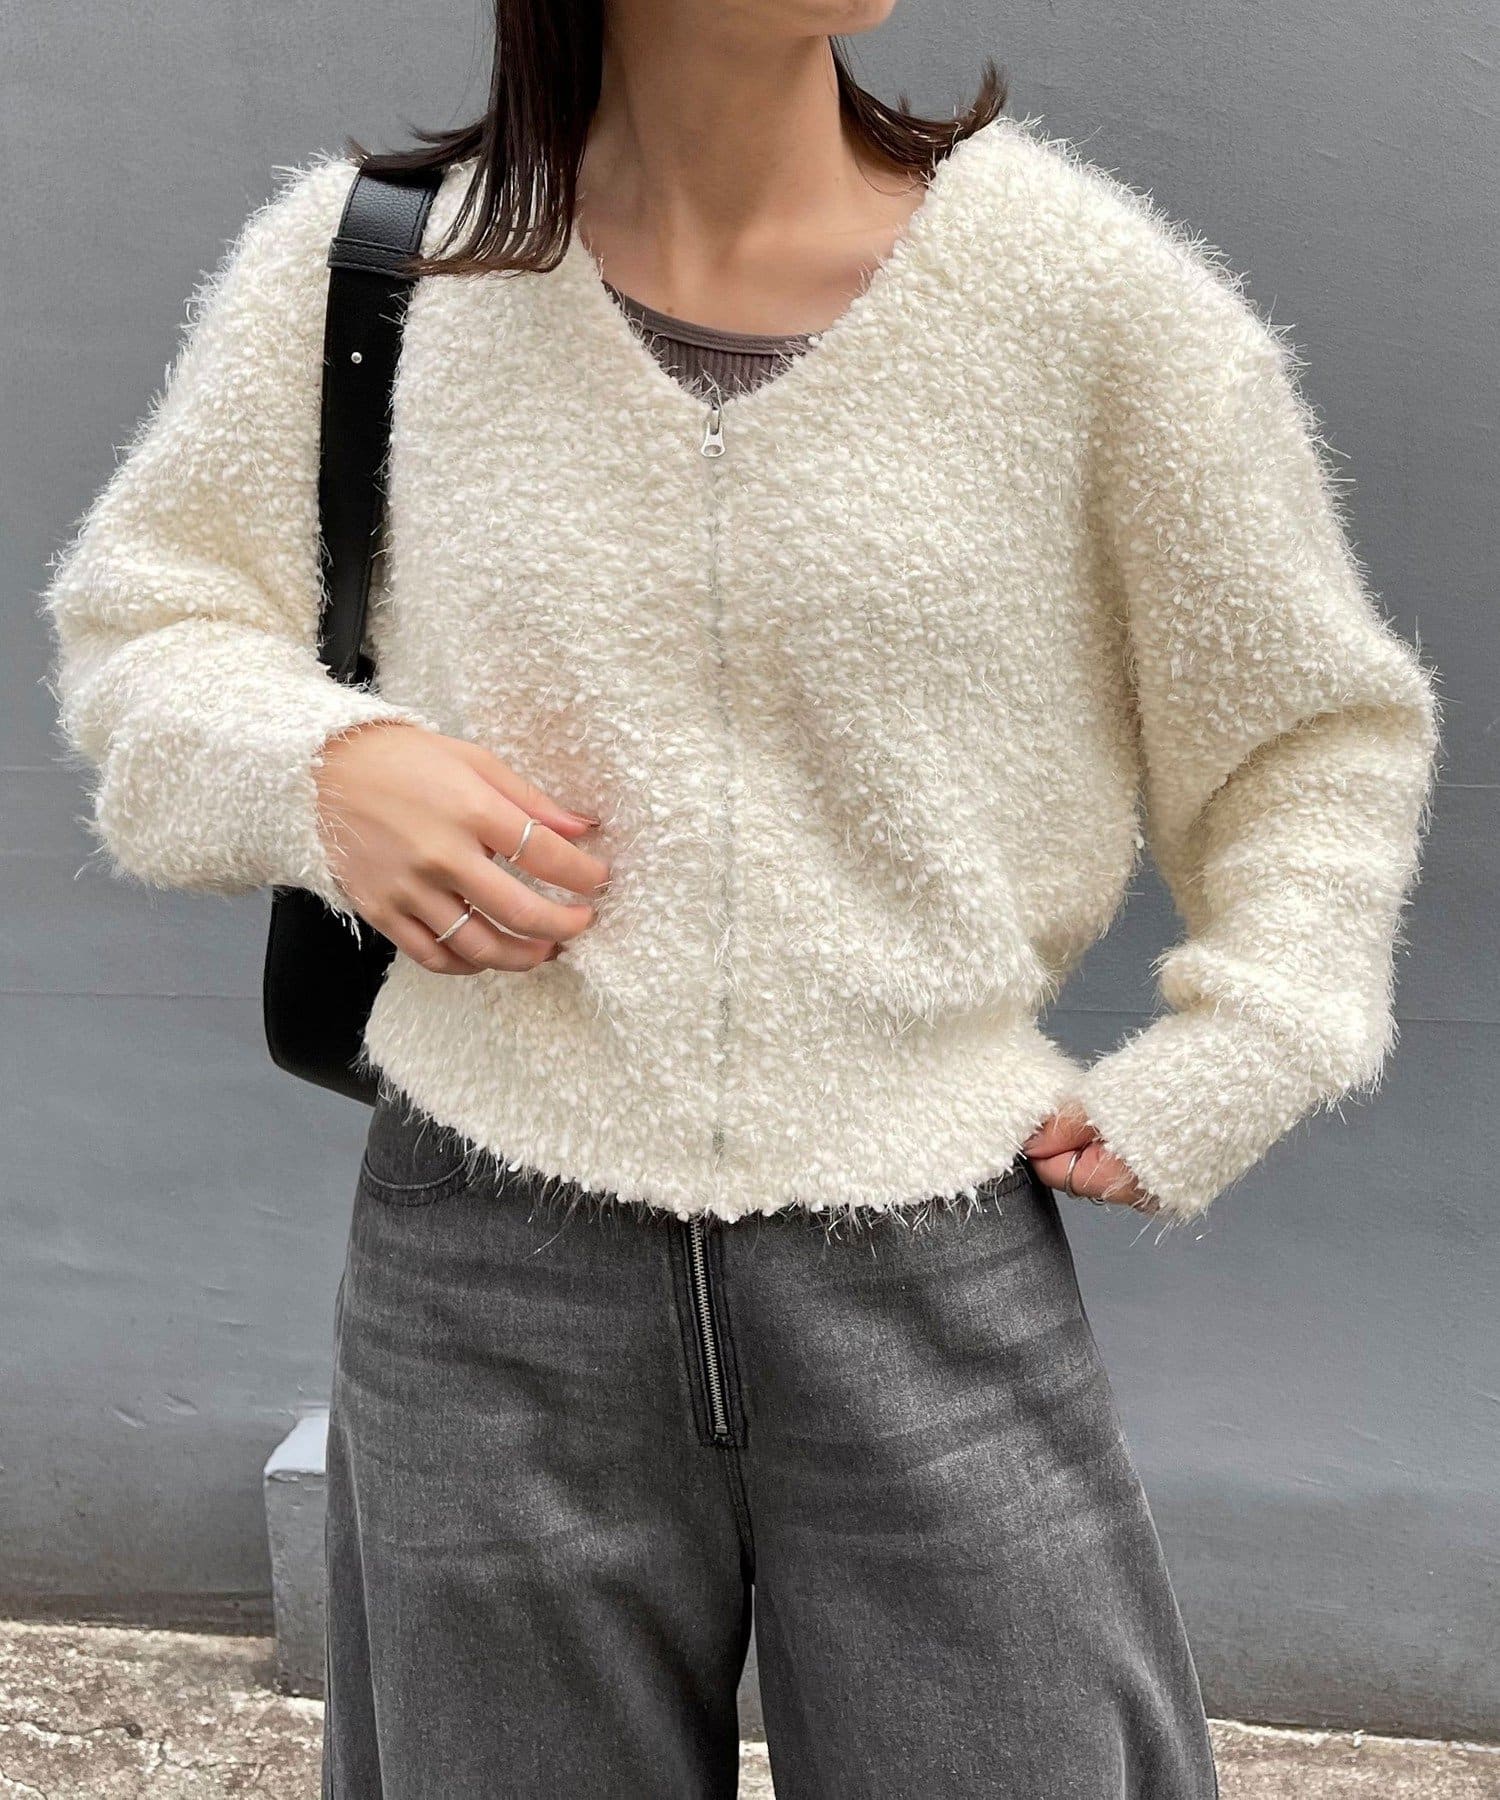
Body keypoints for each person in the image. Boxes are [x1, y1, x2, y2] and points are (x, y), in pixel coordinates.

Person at [40, 3, 1441, 1795]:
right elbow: (151, 629)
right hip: (482, 1258)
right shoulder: (370, 271)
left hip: (922, 1253)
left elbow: (1315, 732)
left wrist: (1248, 1042)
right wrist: (319, 768)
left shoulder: (1088, 299)